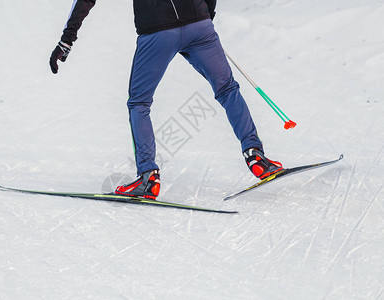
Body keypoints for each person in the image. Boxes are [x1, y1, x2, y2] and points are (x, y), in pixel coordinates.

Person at [50, 0, 283, 200]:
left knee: (139, 104)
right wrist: (205, 15)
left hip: (158, 32)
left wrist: (67, 39)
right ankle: (256, 156)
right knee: (228, 90)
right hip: (198, 26)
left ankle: (148, 178)